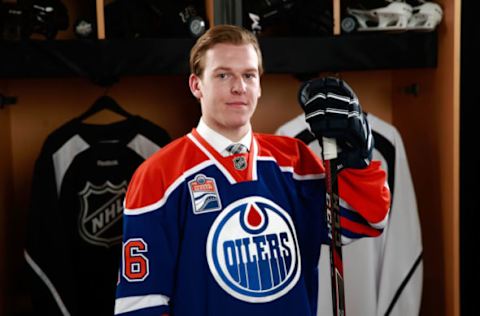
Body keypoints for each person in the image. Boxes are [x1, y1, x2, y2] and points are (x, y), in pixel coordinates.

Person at [114, 24, 390, 316]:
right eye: (223, 75)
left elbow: (362, 223)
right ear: (196, 85)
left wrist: (357, 164)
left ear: (259, 85)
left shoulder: (293, 161)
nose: (239, 87)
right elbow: (142, 302)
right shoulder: (159, 175)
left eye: (249, 75)